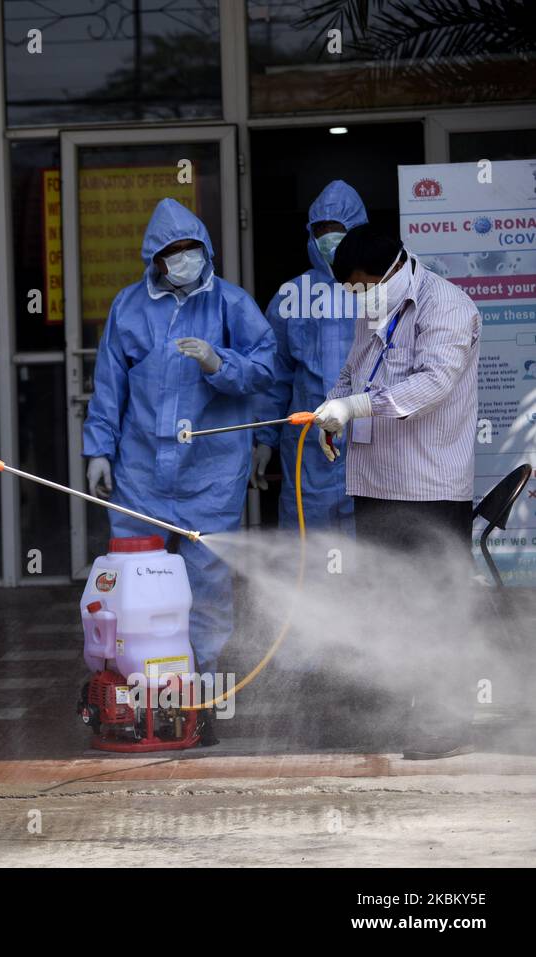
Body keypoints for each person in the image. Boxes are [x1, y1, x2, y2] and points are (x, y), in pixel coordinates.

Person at [83, 198, 274, 738]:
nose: (183, 258)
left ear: (206, 249)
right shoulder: (129, 307)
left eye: (191, 249)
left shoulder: (232, 305)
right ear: (155, 259)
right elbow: (109, 386)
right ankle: (132, 699)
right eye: (171, 252)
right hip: (140, 473)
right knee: (130, 589)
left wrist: (219, 363)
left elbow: (265, 370)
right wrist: (99, 450)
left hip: (210, 473)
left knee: (207, 590)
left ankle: (199, 702)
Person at [313, 225, 481, 760]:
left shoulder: (448, 307)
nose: (357, 297)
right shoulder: (375, 306)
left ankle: (446, 721)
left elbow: (432, 384)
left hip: (430, 484)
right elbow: (355, 372)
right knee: (388, 600)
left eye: (361, 286)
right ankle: (394, 715)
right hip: (377, 481)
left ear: (391, 270)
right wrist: (333, 410)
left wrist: (358, 408)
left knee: (436, 604)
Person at [251, 181, 367, 533]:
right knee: (307, 533)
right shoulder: (292, 295)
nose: (329, 238)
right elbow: (274, 376)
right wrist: (265, 440)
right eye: (321, 230)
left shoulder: (382, 288)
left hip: (369, 434)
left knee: (369, 537)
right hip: (309, 440)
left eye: (338, 229)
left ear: (358, 231)